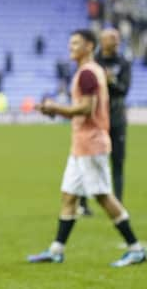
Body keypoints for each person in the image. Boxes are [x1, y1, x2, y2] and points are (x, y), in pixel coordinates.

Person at [30, 29, 144, 267]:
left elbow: (86, 109)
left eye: (76, 43)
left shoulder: (88, 74)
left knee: (102, 196)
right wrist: (55, 110)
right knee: (69, 195)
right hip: (81, 144)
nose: (71, 47)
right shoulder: (93, 71)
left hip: (91, 143)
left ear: (89, 46)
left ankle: (135, 249)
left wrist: (55, 108)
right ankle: (56, 250)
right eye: (70, 43)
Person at [80, 28, 132, 216]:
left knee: (117, 162)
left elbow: (124, 90)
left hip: (117, 118)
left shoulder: (123, 62)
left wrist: (111, 82)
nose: (116, 41)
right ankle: (83, 204)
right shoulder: (93, 63)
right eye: (112, 38)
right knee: (88, 159)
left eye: (117, 38)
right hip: (95, 119)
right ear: (102, 41)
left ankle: (117, 205)